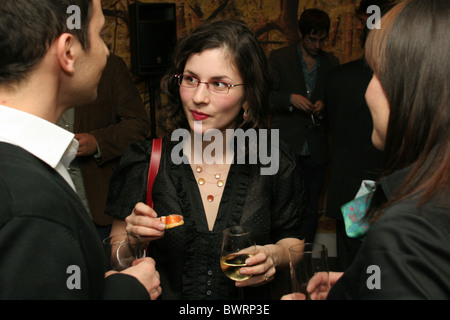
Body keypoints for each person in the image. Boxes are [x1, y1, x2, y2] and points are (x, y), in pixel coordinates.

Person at [105, 19, 305, 300]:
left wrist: (274, 254)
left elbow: (292, 240)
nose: (198, 97)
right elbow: (116, 260)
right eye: (190, 79)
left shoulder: (273, 159)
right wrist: (131, 241)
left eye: (219, 84)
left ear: (248, 95)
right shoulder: (146, 160)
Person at [284, 0, 450, 299]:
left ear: (412, 89)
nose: (366, 89)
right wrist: (358, 284)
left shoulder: (405, 230)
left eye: (376, 72)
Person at [0, 0, 161, 299]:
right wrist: (128, 290)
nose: (107, 51)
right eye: (100, 35)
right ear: (68, 52)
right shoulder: (29, 201)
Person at [324, 0, 393, 271]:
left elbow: (328, 127)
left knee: (348, 269)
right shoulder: (396, 79)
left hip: (349, 189)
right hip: (385, 188)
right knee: (384, 268)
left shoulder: (337, 77)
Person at [57, 53, 151, 239]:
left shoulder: (109, 65)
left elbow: (138, 124)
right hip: (53, 207)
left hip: (99, 202)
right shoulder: (29, 67)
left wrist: (98, 142)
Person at [269, 9, 339, 243]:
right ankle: (282, 260)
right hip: (286, 147)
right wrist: (290, 99)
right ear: (300, 33)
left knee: (311, 208)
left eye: (322, 39)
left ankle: (306, 261)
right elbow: (265, 97)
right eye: (312, 38)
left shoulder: (332, 63)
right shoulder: (279, 58)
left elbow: (336, 102)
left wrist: (324, 104)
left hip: (316, 149)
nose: (317, 44)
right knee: (283, 207)